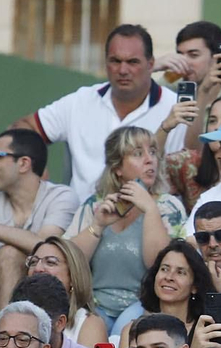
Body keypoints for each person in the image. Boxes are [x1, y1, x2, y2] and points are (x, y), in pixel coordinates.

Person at [22, 24, 176, 203]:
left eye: (132, 62)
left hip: (149, 220)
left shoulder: (173, 106)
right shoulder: (81, 101)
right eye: (115, 61)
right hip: (81, 222)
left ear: (150, 64)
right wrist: (36, 165)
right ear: (106, 63)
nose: (123, 70)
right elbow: (24, 128)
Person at [65, 126, 187, 327]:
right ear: (117, 167)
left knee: (126, 330)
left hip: (144, 304)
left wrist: (149, 208)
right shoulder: (95, 205)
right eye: (138, 154)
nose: (150, 160)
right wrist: (98, 225)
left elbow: (157, 264)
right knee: (87, 330)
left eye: (153, 152)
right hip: (95, 305)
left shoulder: (168, 207)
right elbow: (70, 262)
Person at [0, 128, 81, 315]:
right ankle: (4, 334)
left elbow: (43, 246)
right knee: (8, 254)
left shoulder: (62, 196)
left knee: (9, 253)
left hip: (56, 299)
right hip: (2, 302)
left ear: (23, 163)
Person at [113, 241, 208, 348]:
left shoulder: (203, 332)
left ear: (195, 286)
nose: (169, 277)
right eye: (164, 269)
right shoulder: (131, 330)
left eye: (180, 272)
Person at [21, 237, 110, 348]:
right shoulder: (10, 318)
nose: (37, 268)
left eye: (50, 262)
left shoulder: (89, 324)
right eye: (33, 262)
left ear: (73, 277)